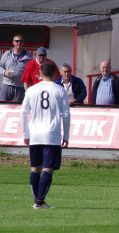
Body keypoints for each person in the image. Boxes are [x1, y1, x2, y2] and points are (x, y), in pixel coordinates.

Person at [21, 61, 71, 209]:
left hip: (35, 134)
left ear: (40, 74)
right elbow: (66, 114)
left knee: (35, 168)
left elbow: (24, 113)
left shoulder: (31, 90)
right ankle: (39, 202)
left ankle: (37, 201)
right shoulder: (60, 90)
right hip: (52, 134)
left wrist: (26, 133)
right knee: (48, 168)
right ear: (56, 74)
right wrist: (66, 135)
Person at [0, 34, 32, 102]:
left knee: (17, 107)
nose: (19, 43)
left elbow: (31, 71)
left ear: (23, 43)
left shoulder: (28, 56)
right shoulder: (7, 54)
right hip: (6, 85)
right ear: (13, 42)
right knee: (2, 106)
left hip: (20, 87)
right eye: (16, 41)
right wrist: (4, 72)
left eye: (21, 41)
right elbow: (0, 66)